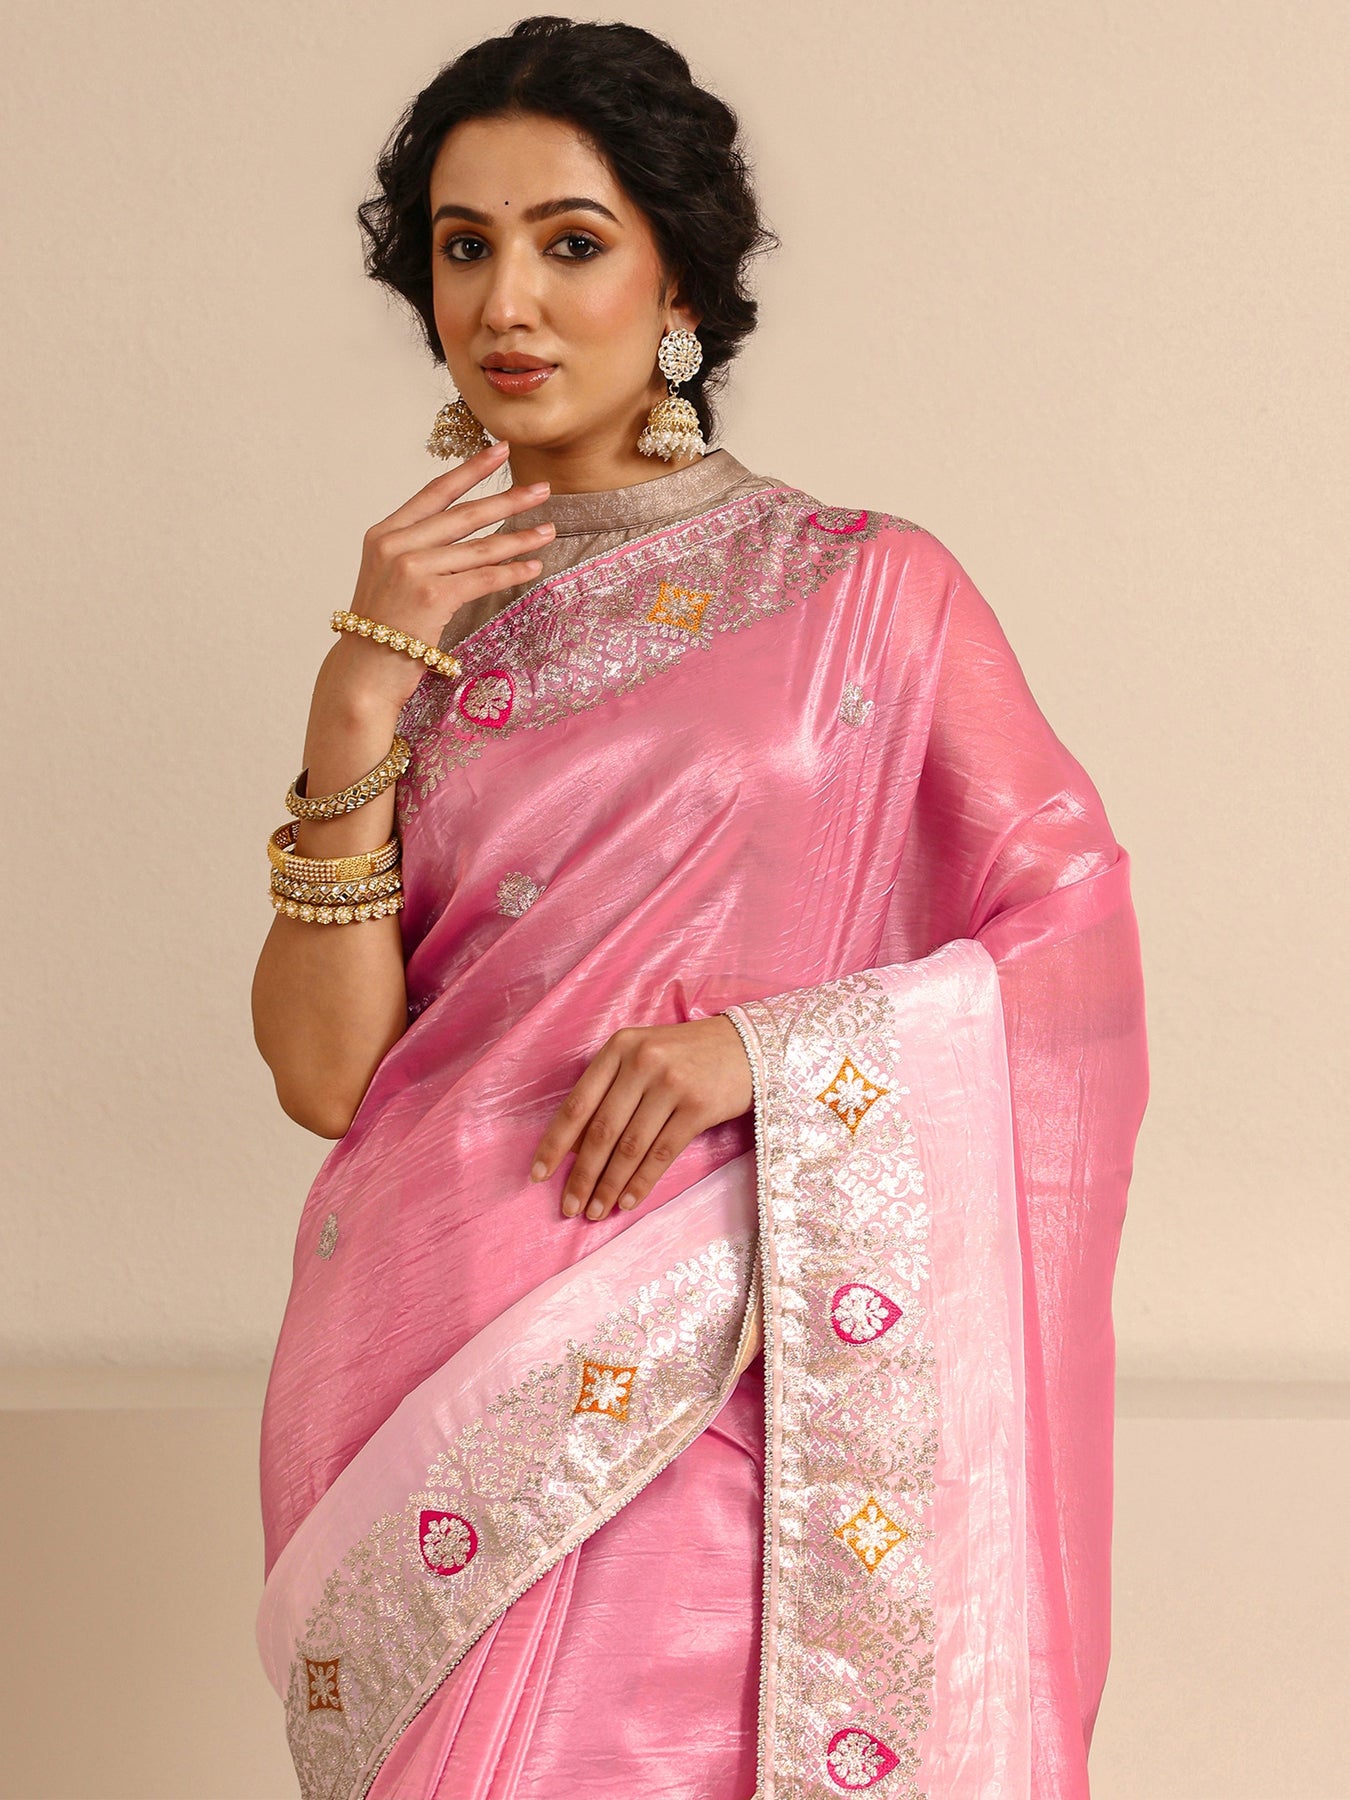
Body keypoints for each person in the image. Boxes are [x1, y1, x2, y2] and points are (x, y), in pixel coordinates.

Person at [251, 17, 1149, 1800]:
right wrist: (354, 701)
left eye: (570, 242)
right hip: (420, 1338)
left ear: (676, 284)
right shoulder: (409, 633)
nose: (507, 300)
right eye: (463, 245)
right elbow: (329, 1079)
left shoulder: (867, 590)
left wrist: (773, 1054)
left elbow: (1070, 937)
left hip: (733, 1338)